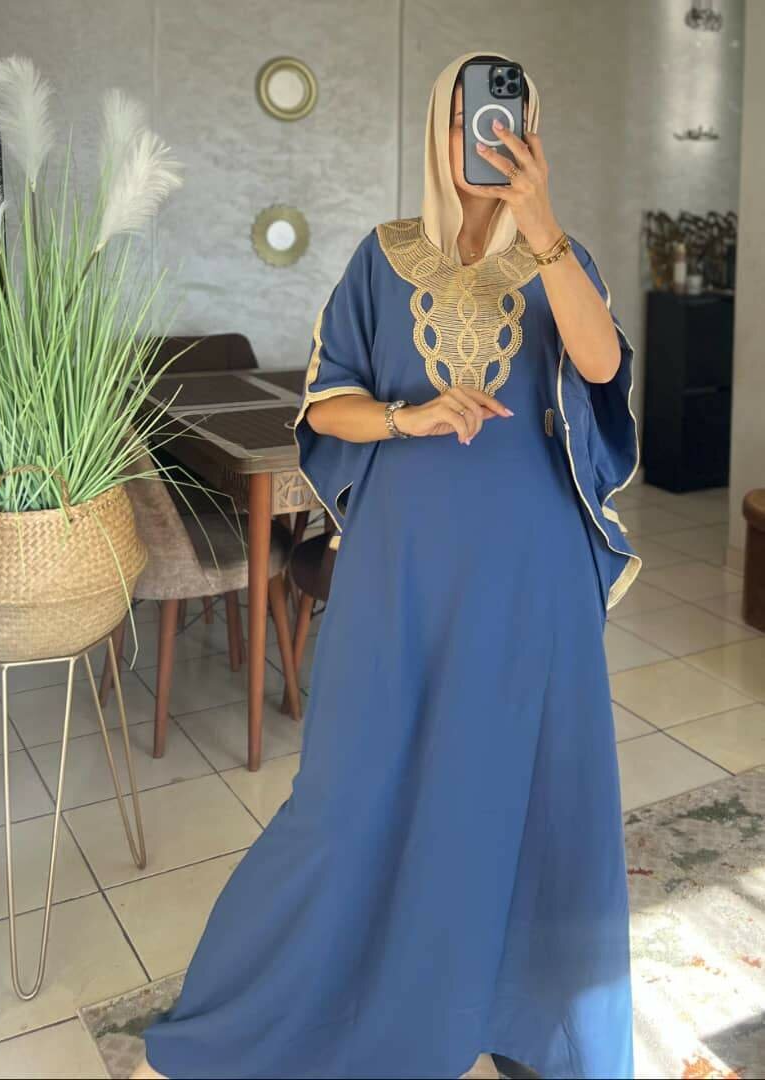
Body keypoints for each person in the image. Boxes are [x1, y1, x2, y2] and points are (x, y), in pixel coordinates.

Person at [132, 49, 641, 1080]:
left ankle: (512, 1022)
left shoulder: (561, 256)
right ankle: (271, 1014)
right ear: (435, 130)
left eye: (503, 121)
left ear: (531, 134)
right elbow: (328, 407)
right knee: (346, 794)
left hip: (530, 574)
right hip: (401, 566)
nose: (481, 141)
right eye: (464, 120)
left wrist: (543, 228)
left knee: (525, 791)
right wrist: (410, 416)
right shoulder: (382, 257)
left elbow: (600, 366)